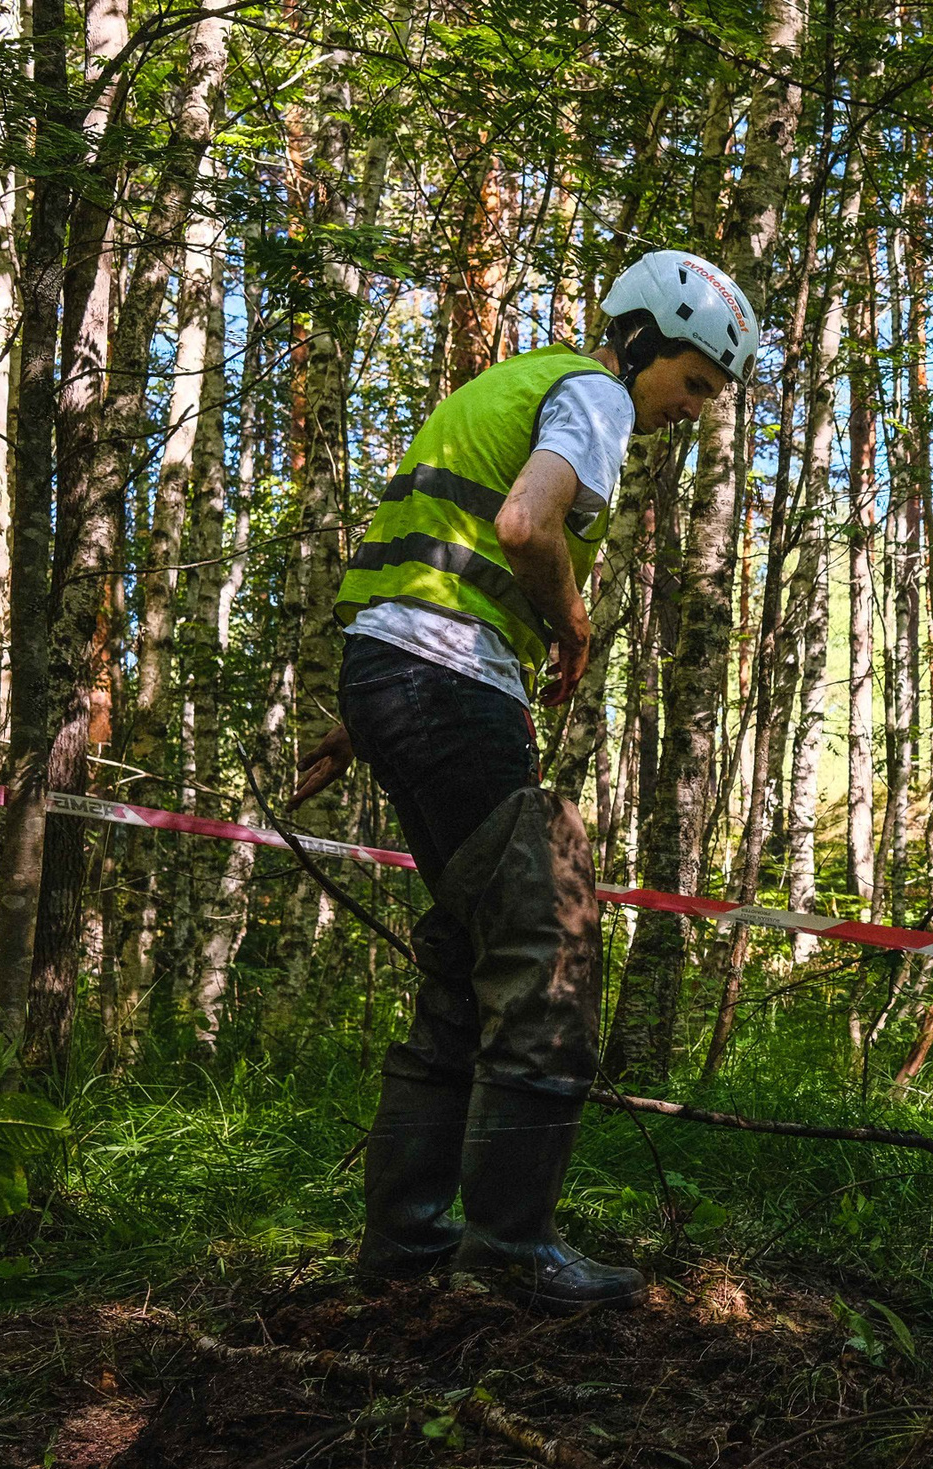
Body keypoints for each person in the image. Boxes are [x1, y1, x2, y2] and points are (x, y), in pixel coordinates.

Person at [289, 250, 757, 1310]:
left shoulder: (511, 384)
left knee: (467, 959)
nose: (692, 409)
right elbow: (520, 526)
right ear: (640, 343)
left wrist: (363, 723)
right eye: (692, 382)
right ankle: (510, 1249)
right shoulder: (596, 394)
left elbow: (431, 573)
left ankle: (407, 1241)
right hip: (449, 682)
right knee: (549, 942)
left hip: (399, 676)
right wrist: (572, 622)